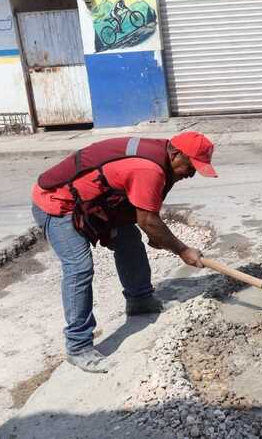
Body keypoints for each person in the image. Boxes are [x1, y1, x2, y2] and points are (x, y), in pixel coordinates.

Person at [31, 132, 218, 373]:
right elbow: (148, 220)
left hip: (92, 202)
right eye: (191, 166)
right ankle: (78, 347)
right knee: (79, 268)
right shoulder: (149, 169)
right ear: (176, 154)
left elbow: (146, 217)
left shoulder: (161, 157)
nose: (191, 174)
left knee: (128, 239)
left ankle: (140, 301)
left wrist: (157, 236)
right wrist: (182, 250)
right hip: (57, 204)